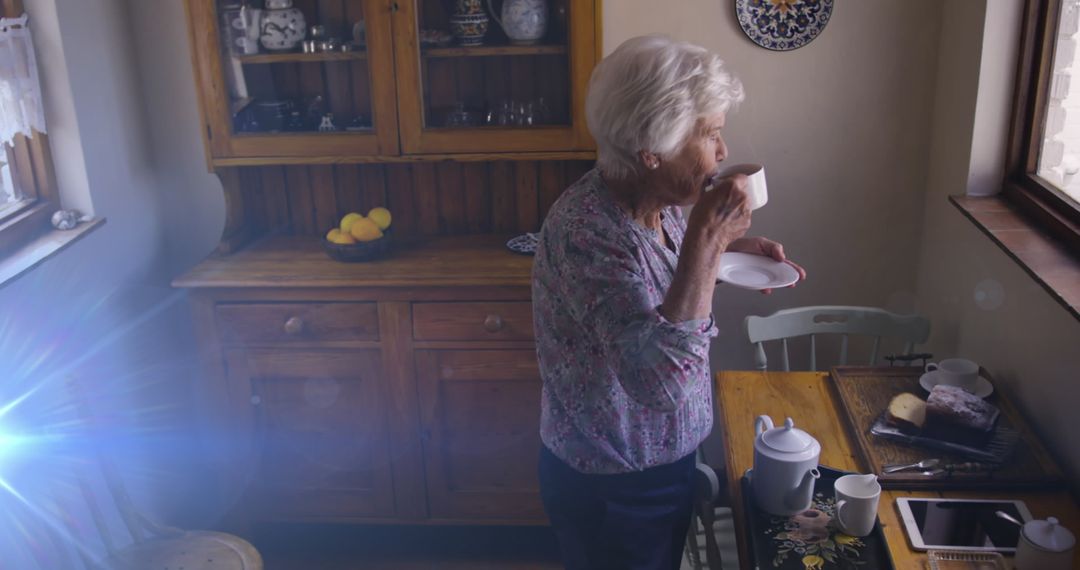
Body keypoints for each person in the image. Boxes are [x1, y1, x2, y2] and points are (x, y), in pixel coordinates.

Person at [532, 35, 807, 569]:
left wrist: (724, 253)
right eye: (710, 135)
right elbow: (661, 383)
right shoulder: (588, 233)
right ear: (651, 150)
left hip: (660, 465)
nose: (724, 152)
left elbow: (657, 295)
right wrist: (707, 242)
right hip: (615, 486)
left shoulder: (660, 201)